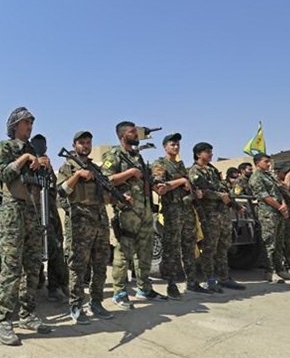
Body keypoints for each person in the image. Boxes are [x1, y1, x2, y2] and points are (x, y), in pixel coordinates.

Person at [0, 107, 51, 346]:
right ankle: (3, 320)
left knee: (33, 266)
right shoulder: (4, 147)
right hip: (13, 212)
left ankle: (27, 314)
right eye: (27, 122)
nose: (30, 127)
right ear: (15, 125)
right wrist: (25, 159)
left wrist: (45, 165)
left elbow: (45, 184)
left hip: (33, 212)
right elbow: (4, 175)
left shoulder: (33, 150)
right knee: (11, 267)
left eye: (32, 123)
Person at [101, 121, 167, 310]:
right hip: (127, 212)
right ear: (123, 135)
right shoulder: (113, 155)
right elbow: (106, 179)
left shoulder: (137, 155)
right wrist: (129, 173)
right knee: (123, 253)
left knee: (144, 252)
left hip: (145, 210)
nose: (136, 134)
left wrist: (156, 186)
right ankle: (119, 292)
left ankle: (144, 288)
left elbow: (145, 179)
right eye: (132, 132)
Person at [57, 130, 115, 324]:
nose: (86, 145)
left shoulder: (96, 168)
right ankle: (76, 305)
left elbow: (105, 193)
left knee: (100, 265)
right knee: (77, 267)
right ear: (74, 145)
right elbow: (61, 192)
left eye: (88, 142)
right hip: (79, 222)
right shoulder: (67, 167)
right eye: (82, 142)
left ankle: (96, 303)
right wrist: (78, 175)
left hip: (99, 221)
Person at [151, 133, 210, 298]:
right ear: (165, 147)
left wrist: (193, 190)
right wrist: (181, 181)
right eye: (172, 144)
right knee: (171, 250)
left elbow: (187, 184)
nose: (176, 147)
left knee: (189, 249)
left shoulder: (181, 166)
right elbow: (160, 188)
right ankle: (171, 284)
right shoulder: (160, 164)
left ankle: (192, 282)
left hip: (187, 211)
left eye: (177, 145)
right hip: (172, 212)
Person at [189, 142, 246, 292]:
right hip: (210, 216)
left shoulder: (212, 170)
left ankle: (224, 277)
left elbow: (224, 192)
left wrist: (236, 206)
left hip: (222, 215)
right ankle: (210, 278)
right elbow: (200, 192)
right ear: (198, 154)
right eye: (207, 151)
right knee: (210, 249)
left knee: (223, 247)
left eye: (211, 151)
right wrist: (219, 196)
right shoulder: (195, 171)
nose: (211, 154)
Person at [30, 134, 69, 303]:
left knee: (56, 250)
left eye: (42, 145)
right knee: (33, 251)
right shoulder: (28, 164)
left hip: (51, 214)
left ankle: (55, 287)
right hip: (33, 214)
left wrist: (48, 168)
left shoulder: (48, 167)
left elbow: (54, 190)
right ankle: (36, 281)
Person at [248, 153, 290, 283]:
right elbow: (264, 196)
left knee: (278, 242)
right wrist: (280, 207)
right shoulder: (256, 177)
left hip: (278, 212)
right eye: (266, 161)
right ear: (257, 163)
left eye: (269, 161)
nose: (268, 164)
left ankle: (280, 269)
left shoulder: (270, 176)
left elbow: (279, 191)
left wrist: (283, 205)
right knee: (269, 243)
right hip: (268, 213)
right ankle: (269, 271)